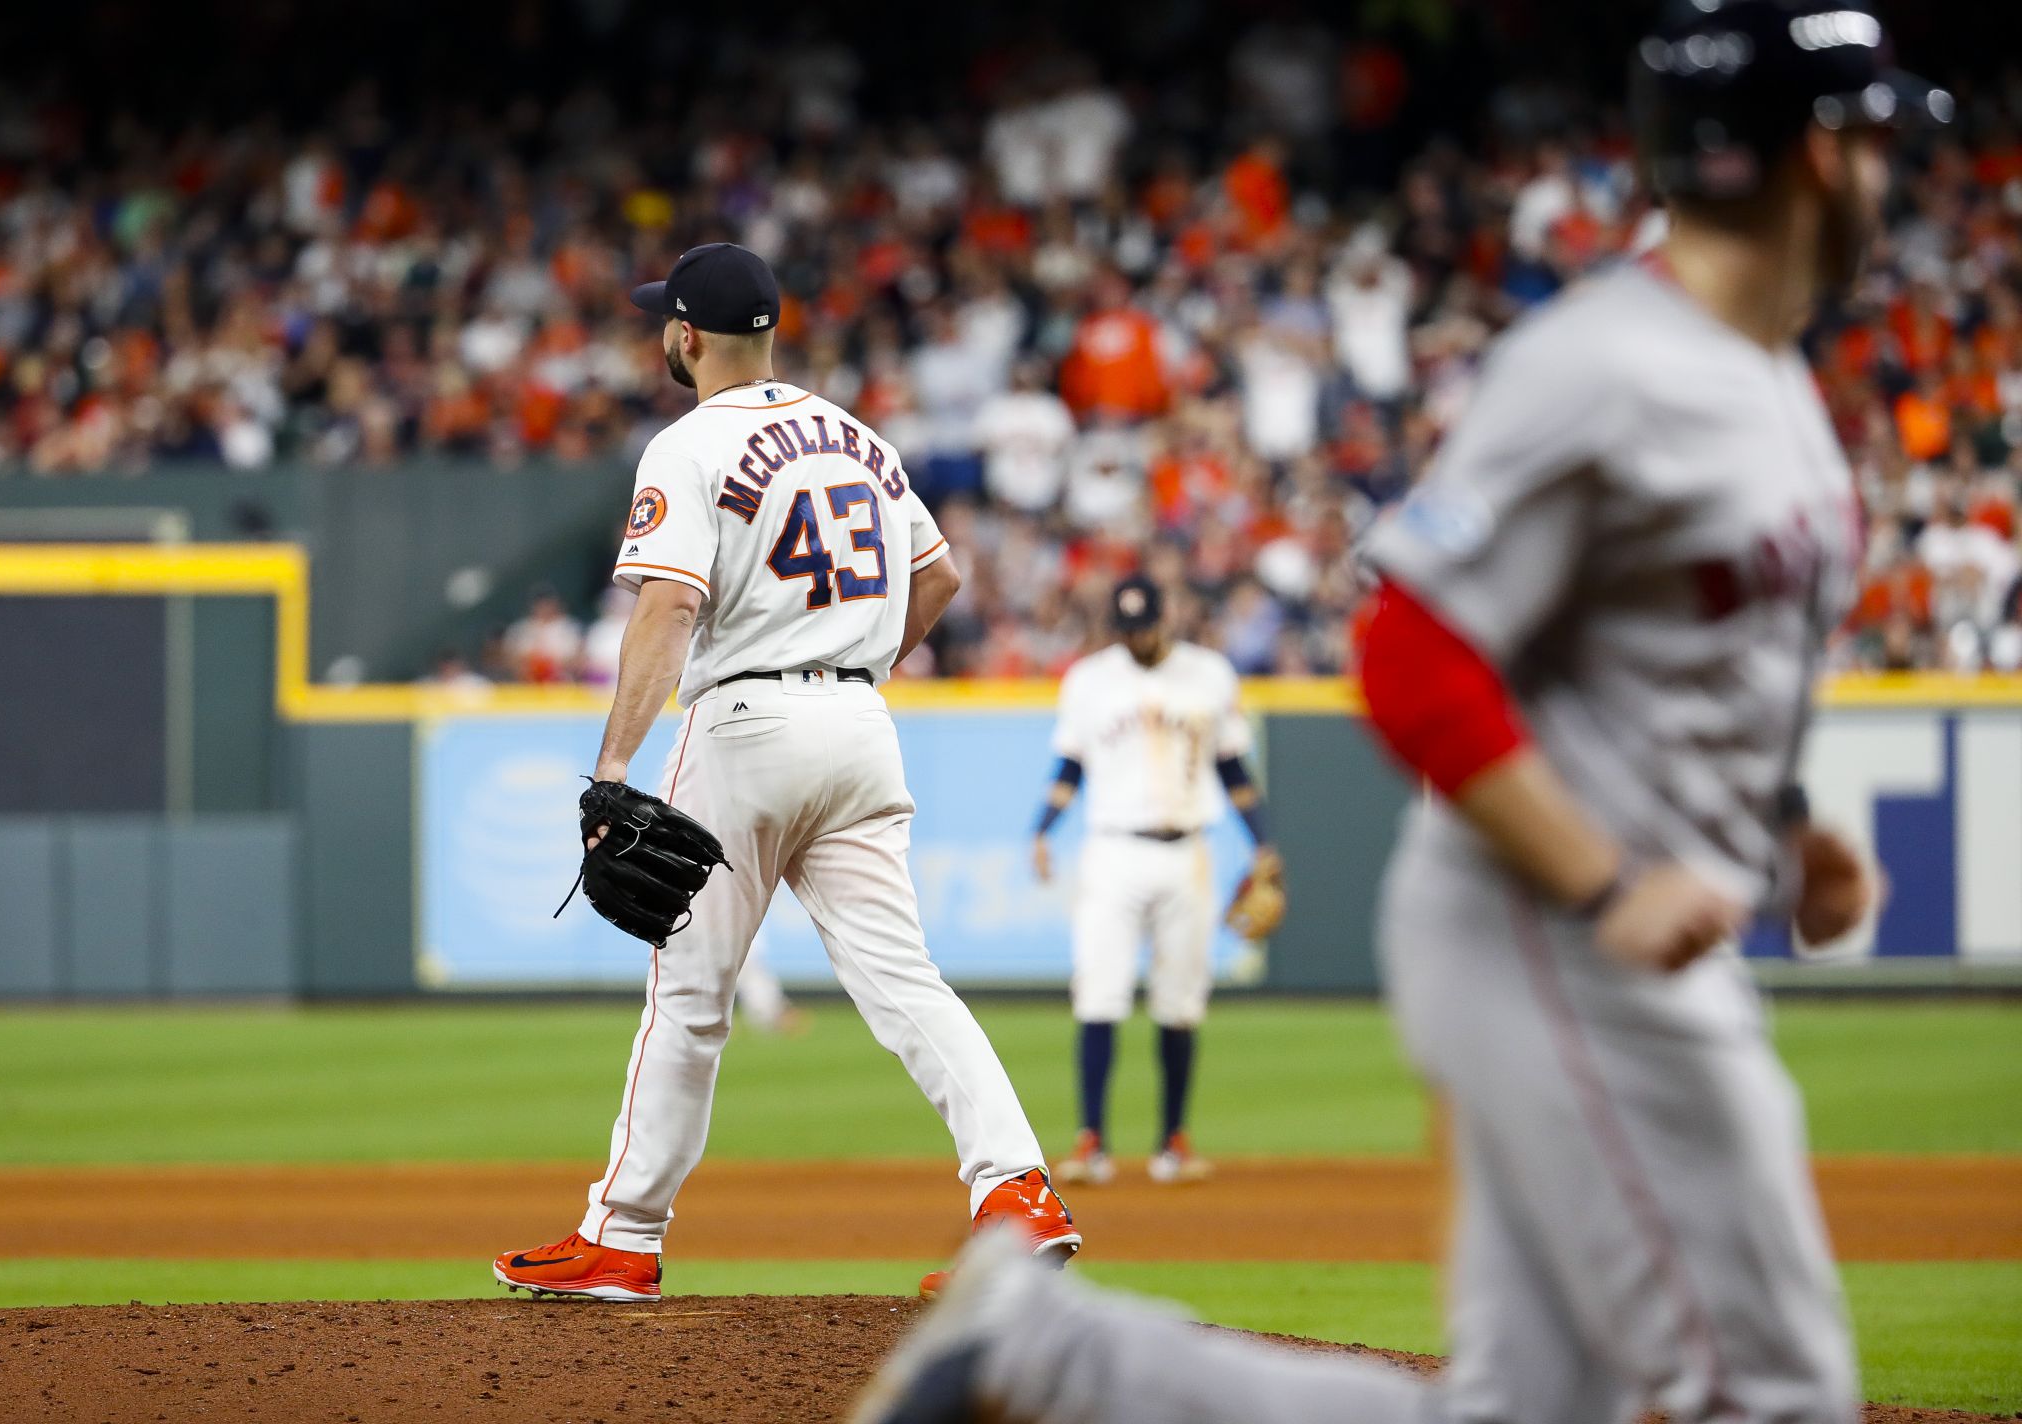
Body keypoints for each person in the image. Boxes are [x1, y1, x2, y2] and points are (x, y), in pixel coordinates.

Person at [852, 3, 1936, 1420]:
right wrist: (1603, 879)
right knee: (1774, 1393)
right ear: (1793, 155)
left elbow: (1678, 670)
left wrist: (1784, 829)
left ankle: (1054, 1357)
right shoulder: (1605, 367)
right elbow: (1412, 651)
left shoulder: (1769, 380)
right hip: (1556, 933)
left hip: (1607, 928)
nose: (1885, 175)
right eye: (1862, 140)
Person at [492, 243, 1080, 1304]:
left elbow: (668, 605)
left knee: (691, 993)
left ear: (682, 336)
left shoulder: (688, 443)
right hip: (859, 719)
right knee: (905, 981)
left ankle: (622, 1235)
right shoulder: (856, 435)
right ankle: (1019, 1188)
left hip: (748, 722)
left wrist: (612, 766)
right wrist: (851, 665)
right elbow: (939, 573)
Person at [1031, 574, 1277, 1186]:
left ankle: (1172, 1142)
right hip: (1112, 850)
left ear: (1164, 618)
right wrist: (1042, 828)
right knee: (1099, 996)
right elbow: (1070, 767)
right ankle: (1092, 1143)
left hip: (1187, 851)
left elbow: (1233, 769)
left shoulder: (1210, 674)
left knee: (1180, 1001)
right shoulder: (1089, 679)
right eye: (1125, 628)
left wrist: (1264, 841)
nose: (1134, 638)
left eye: (1143, 626)